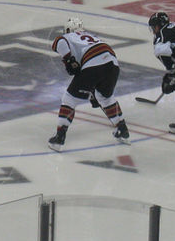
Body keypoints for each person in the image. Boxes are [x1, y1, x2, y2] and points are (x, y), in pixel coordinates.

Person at [48, 17, 130, 151]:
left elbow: (59, 42)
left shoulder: (69, 36)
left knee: (69, 99)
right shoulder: (91, 36)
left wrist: (68, 59)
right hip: (113, 63)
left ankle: (59, 138)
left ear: (68, 29)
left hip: (93, 62)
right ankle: (122, 129)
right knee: (105, 97)